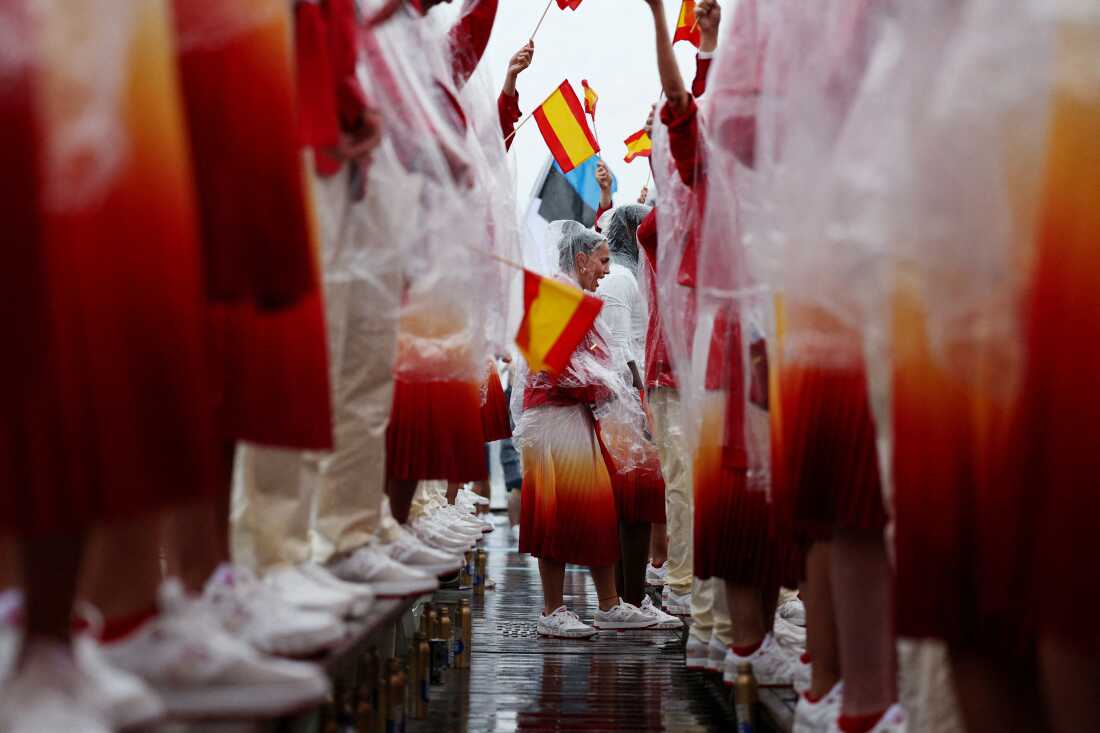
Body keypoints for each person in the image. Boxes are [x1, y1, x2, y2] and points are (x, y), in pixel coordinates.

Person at [517, 223, 655, 637]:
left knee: (597, 511)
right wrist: (606, 385)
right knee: (554, 513)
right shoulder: (557, 297)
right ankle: (551, 609)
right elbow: (545, 370)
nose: (606, 271)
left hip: (575, 417)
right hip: (553, 419)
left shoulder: (579, 298)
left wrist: (611, 384)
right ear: (580, 259)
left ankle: (610, 604)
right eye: (603, 261)